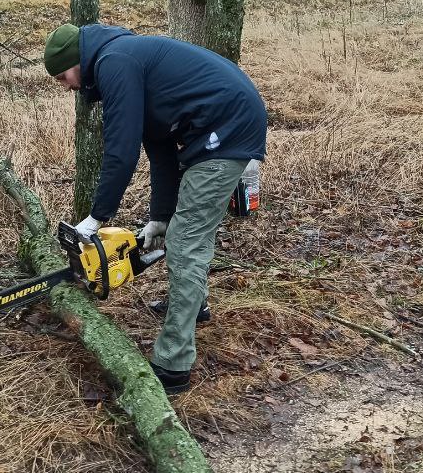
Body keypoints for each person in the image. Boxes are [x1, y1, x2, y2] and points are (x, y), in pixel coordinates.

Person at [43, 23, 268, 394]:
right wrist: (159, 218)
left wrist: (97, 217)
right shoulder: (123, 58)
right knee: (180, 232)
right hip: (215, 128)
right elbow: (160, 150)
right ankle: (194, 306)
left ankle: (173, 363)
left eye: (62, 77)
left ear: (76, 61)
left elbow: (122, 149)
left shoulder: (115, 62)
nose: (65, 86)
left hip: (228, 129)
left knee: (186, 243)